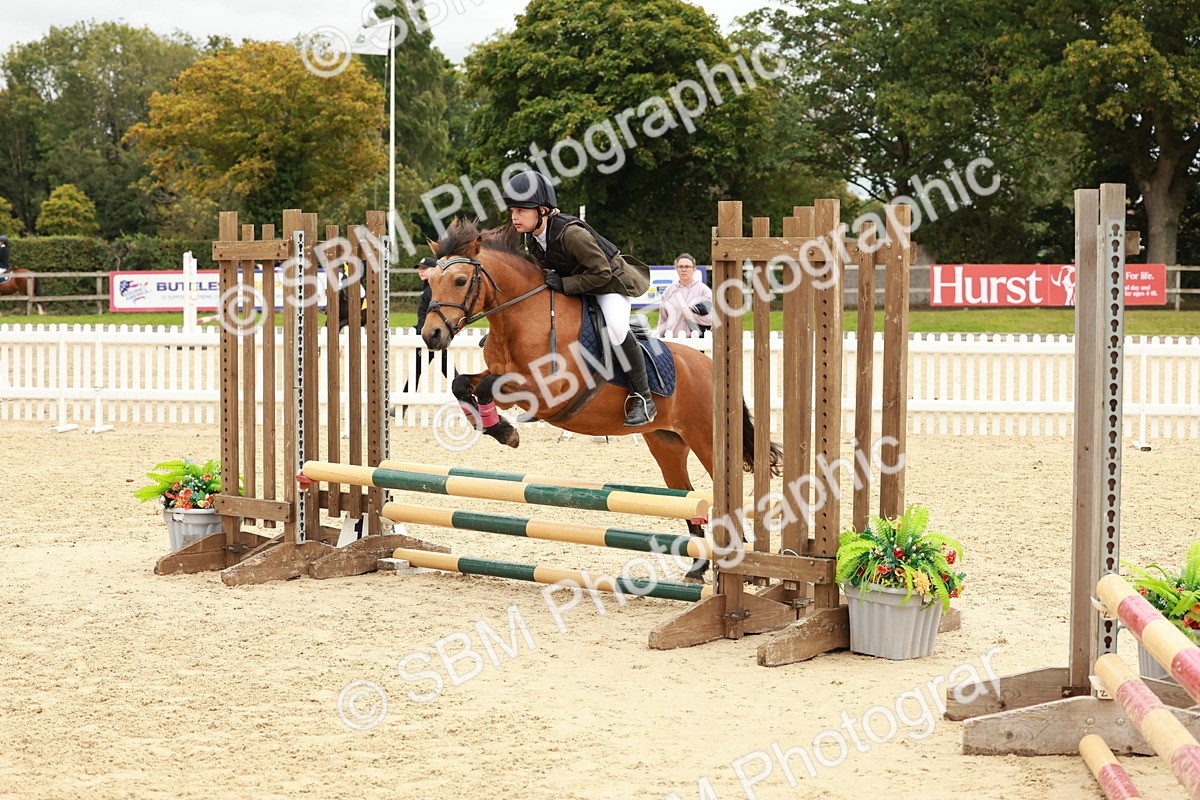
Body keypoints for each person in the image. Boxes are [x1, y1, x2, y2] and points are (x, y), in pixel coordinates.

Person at [501, 171, 656, 425]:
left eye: (520, 210)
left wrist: (564, 283)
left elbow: (602, 273)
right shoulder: (532, 237)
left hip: (610, 285)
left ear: (541, 210)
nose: (514, 217)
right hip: (579, 285)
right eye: (512, 211)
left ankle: (644, 397)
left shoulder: (570, 233)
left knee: (616, 330)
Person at [400, 256, 453, 414]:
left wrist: (423, 331)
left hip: (430, 337)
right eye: (419, 268)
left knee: (447, 372)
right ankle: (469, 405)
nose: (420, 271)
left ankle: (402, 405)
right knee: (445, 371)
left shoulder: (433, 289)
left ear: (434, 270)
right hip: (427, 336)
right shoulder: (427, 288)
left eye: (424, 268)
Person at [656, 253, 713, 337]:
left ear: (694, 269)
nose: (683, 269)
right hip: (672, 340)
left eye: (687, 267)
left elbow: (712, 319)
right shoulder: (669, 291)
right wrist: (660, 339)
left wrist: (692, 316)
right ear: (676, 269)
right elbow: (663, 319)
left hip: (696, 342)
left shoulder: (704, 290)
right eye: (680, 266)